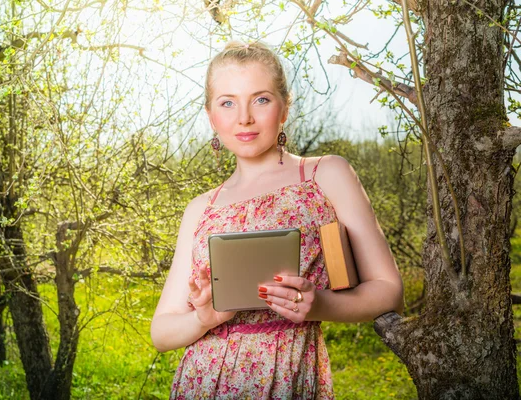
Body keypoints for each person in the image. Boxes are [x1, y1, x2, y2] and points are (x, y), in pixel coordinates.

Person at [150, 40, 404, 399]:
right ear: (211, 116)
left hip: (290, 371)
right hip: (204, 380)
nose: (244, 118)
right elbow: (161, 332)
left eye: (261, 99)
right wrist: (203, 319)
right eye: (227, 103)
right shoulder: (201, 208)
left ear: (284, 108)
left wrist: (320, 305)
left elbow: (389, 290)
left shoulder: (325, 174)